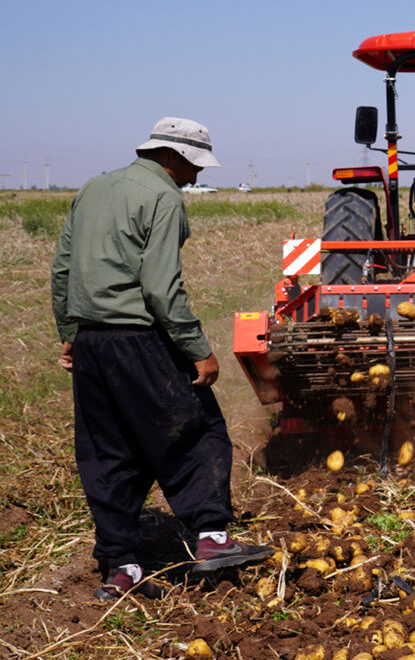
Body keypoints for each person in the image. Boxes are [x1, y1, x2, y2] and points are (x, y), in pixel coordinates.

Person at [51, 117, 272, 601]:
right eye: (193, 166)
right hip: (140, 339)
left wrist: (71, 332)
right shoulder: (163, 197)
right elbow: (159, 288)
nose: (195, 177)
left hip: (92, 345)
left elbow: (63, 267)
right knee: (196, 432)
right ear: (172, 157)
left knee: (108, 454)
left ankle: (121, 566)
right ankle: (213, 539)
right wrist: (199, 351)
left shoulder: (93, 188)